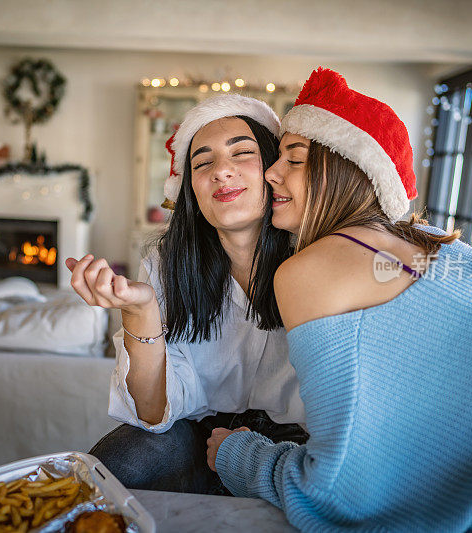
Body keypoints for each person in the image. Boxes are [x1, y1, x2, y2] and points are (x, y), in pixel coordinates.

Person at [207, 67, 472, 531]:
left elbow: (336, 498)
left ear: (344, 168)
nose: (271, 173)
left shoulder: (306, 273)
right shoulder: (437, 243)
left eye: (294, 158)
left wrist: (239, 454)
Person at [65, 94, 307, 494]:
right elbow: (152, 413)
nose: (221, 172)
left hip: (295, 445)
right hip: (196, 437)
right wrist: (140, 309)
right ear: (189, 188)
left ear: (272, 169)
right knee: (125, 456)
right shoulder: (167, 263)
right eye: (202, 162)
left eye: (241, 153)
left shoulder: (316, 258)